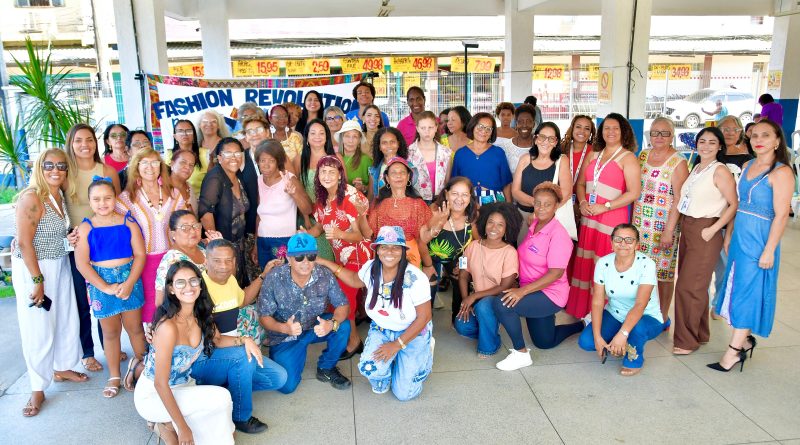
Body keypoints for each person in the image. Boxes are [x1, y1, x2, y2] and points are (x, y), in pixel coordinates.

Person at [709, 120, 793, 372]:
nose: (759, 139)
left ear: (777, 140)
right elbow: (738, 205)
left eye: (766, 135)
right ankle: (743, 340)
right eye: (754, 135)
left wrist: (769, 250)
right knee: (735, 287)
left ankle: (733, 352)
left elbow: (780, 215)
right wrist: (729, 234)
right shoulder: (747, 166)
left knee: (748, 291)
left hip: (759, 240)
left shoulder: (782, 172)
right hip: (739, 236)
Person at [319, 226, 434, 401]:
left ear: (403, 251)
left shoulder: (416, 278)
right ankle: (396, 364)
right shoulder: (371, 268)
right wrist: (324, 262)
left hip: (413, 332)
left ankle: (423, 355)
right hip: (382, 329)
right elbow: (353, 279)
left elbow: (424, 317)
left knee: (404, 394)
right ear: (377, 250)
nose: (389, 251)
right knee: (369, 368)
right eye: (384, 247)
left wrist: (397, 345)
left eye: (395, 247)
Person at [12, 149, 84, 417]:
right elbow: (24, 242)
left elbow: (50, 236)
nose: (56, 170)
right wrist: (37, 279)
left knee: (65, 318)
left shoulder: (59, 195)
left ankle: (62, 367)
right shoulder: (31, 197)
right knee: (38, 328)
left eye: (61, 165)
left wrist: (69, 241)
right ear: (39, 168)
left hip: (59, 263)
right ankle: (37, 387)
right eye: (49, 165)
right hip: (35, 268)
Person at [133, 261, 235, 445]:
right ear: (171, 289)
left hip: (185, 387)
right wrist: (183, 428)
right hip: (154, 395)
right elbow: (160, 384)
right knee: (222, 398)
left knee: (221, 433)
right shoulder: (168, 327)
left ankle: (166, 425)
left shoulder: (199, 315)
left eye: (193, 281)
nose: (188, 287)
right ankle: (167, 424)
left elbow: (218, 340)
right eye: (180, 282)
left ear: (200, 284)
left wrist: (245, 340)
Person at [195, 239, 287, 434]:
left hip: (229, 352)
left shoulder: (229, 280)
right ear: (206, 260)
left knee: (278, 378)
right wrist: (244, 341)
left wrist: (263, 275)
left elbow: (243, 300)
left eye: (229, 260)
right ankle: (240, 416)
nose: (224, 266)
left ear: (235, 262)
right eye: (217, 260)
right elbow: (214, 340)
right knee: (242, 357)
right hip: (206, 358)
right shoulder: (199, 289)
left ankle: (223, 393)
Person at [493, 185, 583, 370]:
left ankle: (521, 354)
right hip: (533, 290)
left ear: (557, 206)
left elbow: (556, 273)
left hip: (550, 294)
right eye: (538, 203)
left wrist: (521, 291)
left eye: (547, 205)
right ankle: (580, 325)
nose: (541, 208)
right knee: (545, 342)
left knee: (502, 304)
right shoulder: (535, 224)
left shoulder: (559, 235)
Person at [75, 177, 147, 398]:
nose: (102, 203)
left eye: (107, 197)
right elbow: (81, 263)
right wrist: (105, 287)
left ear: (115, 198)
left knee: (135, 328)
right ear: (89, 201)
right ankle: (114, 375)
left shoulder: (128, 222)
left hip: (129, 279)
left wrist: (129, 283)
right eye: (96, 199)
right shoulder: (86, 227)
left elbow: (140, 254)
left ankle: (145, 368)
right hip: (100, 282)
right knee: (110, 332)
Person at [257, 233, 352, 394]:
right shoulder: (274, 277)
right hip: (286, 334)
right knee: (287, 387)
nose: (306, 262)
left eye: (310, 256)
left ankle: (326, 367)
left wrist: (331, 323)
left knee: (342, 326)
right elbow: (264, 317)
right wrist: (284, 328)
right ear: (289, 258)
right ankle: (289, 357)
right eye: (299, 257)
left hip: (314, 327)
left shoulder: (324, 274)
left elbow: (343, 305)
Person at [568, 113, 642, 319]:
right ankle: (583, 310)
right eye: (606, 128)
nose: (610, 132)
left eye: (615, 128)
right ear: (600, 132)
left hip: (611, 219)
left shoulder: (628, 158)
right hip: (590, 217)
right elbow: (581, 184)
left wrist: (606, 206)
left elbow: (634, 192)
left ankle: (604, 313)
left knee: (605, 264)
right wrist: (582, 202)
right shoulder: (593, 154)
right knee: (587, 261)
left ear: (623, 132)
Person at [672, 128, 738, 355]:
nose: (706, 146)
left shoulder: (720, 170)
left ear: (720, 146)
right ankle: (700, 333)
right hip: (689, 227)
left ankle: (686, 341)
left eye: (712, 142)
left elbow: (733, 204)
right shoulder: (698, 168)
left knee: (687, 287)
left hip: (706, 229)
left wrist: (714, 229)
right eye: (702, 141)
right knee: (695, 286)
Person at [64, 123, 120, 373]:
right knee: (82, 301)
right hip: (78, 245)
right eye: (78, 140)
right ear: (71, 143)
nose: (84, 145)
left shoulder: (107, 170)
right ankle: (88, 352)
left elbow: (117, 208)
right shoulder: (65, 173)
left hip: (106, 245)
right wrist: (68, 235)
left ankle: (111, 347)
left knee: (105, 297)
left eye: (89, 139)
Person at [305, 156, 371, 359]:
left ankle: (353, 342)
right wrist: (304, 235)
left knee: (342, 300)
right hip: (341, 257)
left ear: (340, 174)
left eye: (332, 171)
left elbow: (363, 234)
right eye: (323, 171)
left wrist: (340, 234)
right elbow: (318, 227)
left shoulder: (351, 196)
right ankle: (353, 335)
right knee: (346, 299)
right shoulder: (322, 199)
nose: (326, 175)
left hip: (358, 255)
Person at [578, 224, 665, 376]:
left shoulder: (647, 265)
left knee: (636, 330)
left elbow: (640, 304)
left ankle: (634, 357)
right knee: (587, 342)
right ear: (611, 243)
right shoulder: (603, 263)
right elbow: (598, 302)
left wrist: (622, 334)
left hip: (646, 316)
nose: (623, 244)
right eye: (618, 239)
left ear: (637, 245)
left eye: (629, 240)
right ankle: (620, 340)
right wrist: (598, 337)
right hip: (615, 313)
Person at [118, 149, 187, 328]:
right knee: (150, 311)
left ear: (161, 166)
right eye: (144, 163)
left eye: (155, 162)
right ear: (136, 167)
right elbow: (113, 227)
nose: (150, 167)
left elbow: (184, 222)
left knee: (176, 306)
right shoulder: (126, 199)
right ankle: (152, 351)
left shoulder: (173, 194)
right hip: (143, 262)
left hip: (172, 259)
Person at [633, 118, 689, 321]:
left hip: (663, 225)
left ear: (672, 136)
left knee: (663, 274)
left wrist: (668, 230)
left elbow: (679, 199)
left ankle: (663, 316)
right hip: (640, 223)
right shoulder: (643, 155)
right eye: (655, 132)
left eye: (664, 133)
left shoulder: (678, 161)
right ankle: (643, 310)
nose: (659, 137)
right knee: (642, 271)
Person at [455, 202, 520, 358]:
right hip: (477, 299)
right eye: (490, 222)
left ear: (507, 228)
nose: (493, 228)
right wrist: (466, 300)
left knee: (484, 306)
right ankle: (489, 328)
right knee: (461, 325)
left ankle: (489, 346)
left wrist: (475, 296)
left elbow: (505, 285)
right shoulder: (472, 246)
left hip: (499, 300)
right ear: (484, 223)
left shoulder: (509, 252)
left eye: (500, 225)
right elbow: (463, 275)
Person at [711, 115, 754, 316]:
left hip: (736, 218)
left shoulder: (749, 158)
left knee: (726, 264)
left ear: (740, 133)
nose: (729, 133)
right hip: (712, 216)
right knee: (709, 264)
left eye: (733, 129)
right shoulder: (711, 153)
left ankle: (718, 302)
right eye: (724, 129)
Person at [198, 138, 256, 287]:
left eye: (237, 153)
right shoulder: (214, 178)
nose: (234, 157)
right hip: (223, 247)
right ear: (219, 158)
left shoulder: (238, 176)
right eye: (228, 153)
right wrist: (218, 246)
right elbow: (205, 213)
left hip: (239, 244)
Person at [368, 157, 435, 277]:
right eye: (394, 173)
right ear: (387, 178)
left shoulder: (418, 204)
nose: (398, 176)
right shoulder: (378, 204)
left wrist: (428, 265)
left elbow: (422, 239)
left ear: (408, 176)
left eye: (402, 172)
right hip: (384, 255)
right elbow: (370, 234)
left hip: (410, 255)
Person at [421, 177, 478, 318]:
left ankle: (457, 318)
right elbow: (421, 240)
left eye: (464, 194)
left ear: (470, 197)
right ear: (446, 194)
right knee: (429, 284)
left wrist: (465, 261)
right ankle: (425, 321)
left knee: (461, 278)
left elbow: (477, 243)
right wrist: (428, 266)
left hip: (455, 257)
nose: (460, 199)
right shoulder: (434, 210)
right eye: (455, 194)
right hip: (429, 257)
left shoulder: (473, 215)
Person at [254, 140, 312, 268]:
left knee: (283, 279)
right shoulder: (258, 180)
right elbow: (259, 216)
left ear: (278, 161)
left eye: (271, 160)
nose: (266, 165)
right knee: (267, 278)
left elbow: (308, 209)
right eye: (263, 160)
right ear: (257, 162)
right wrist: (255, 244)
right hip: (262, 240)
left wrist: (294, 193)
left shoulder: (288, 178)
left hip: (284, 240)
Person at [511, 122, 571, 244]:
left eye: (551, 139)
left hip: (550, 219)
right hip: (524, 217)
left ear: (556, 142)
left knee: (546, 258)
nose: (545, 142)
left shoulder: (561, 161)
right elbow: (515, 191)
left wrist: (541, 211)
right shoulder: (525, 159)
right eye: (542, 137)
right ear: (536, 138)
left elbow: (567, 192)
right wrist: (538, 205)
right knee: (523, 255)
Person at [294, 119, 341, 261]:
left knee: (326, 262)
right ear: (306, 137)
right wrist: (307, 217)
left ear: (327, 136)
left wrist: (324, 220)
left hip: (329, 220)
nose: (317, 136)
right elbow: (297, 190)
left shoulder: (336, 158)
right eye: (313, 133)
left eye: (321, 133)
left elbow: (342, 191)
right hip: (305, 218)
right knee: (306, 261)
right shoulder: (299, 159)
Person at [451, 112, 513, 205]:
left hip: (494, 203)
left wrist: (509, 206)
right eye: (480, 126)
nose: (484, 131)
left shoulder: (498, 153)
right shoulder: (460, 154)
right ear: (473, 126)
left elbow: (506, 183)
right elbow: (454, 183)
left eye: (489, 129)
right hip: (467, 202)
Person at [407, 111, 452, 203]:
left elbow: (448, 181)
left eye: (430, 127)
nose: (427, 131)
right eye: (423, 128)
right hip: (415, 201)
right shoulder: (409, 153)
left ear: (436, 128)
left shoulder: (446, 152)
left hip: (440, 200)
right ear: (417, 129)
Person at [561, 114, 596, 221]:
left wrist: (582, 203)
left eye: (587, 129)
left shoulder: (595, 152)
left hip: (586, 204)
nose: (582, 131)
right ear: (572, 128)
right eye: (578, 127)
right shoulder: (562, 149)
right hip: (562, 201)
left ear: (591, 133)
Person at [193, 110, 231, 195]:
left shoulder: (227, 145)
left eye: (213, 122)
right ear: (199, 125)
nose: (209, 125)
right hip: (197, 195)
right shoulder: (194, 147)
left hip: (223, 193)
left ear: (218, 126)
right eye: (205, 122)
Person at [368, 126, 408, 201]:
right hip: (381, 210)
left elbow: (412, 193)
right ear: (379, 147)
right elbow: (371, 197)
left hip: (404, 209)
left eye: (392, 142)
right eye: (384, 143)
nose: (389, 146)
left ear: (398, 144)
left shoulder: (409, 167)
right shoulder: (374, 170)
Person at [335, 119, 372, 195]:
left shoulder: (367, 160)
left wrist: (363, 187)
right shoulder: (334, 158)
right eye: (347, 136)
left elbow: (374, 187)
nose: (350, 140)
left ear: (359, 140)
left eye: (355, 137)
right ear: (342, 138)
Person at [496, 104, 535, 174]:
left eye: (528, 121)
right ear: (516, 124)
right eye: (520, 122)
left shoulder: (540, 146)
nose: (524, 125)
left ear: (534, 124)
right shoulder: (506, 146)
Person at [170, 149, 199, 214]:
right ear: (172, 164)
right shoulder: (162, 189)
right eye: (183, 162)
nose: (187, 167)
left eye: (191, 165)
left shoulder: (190, 188)